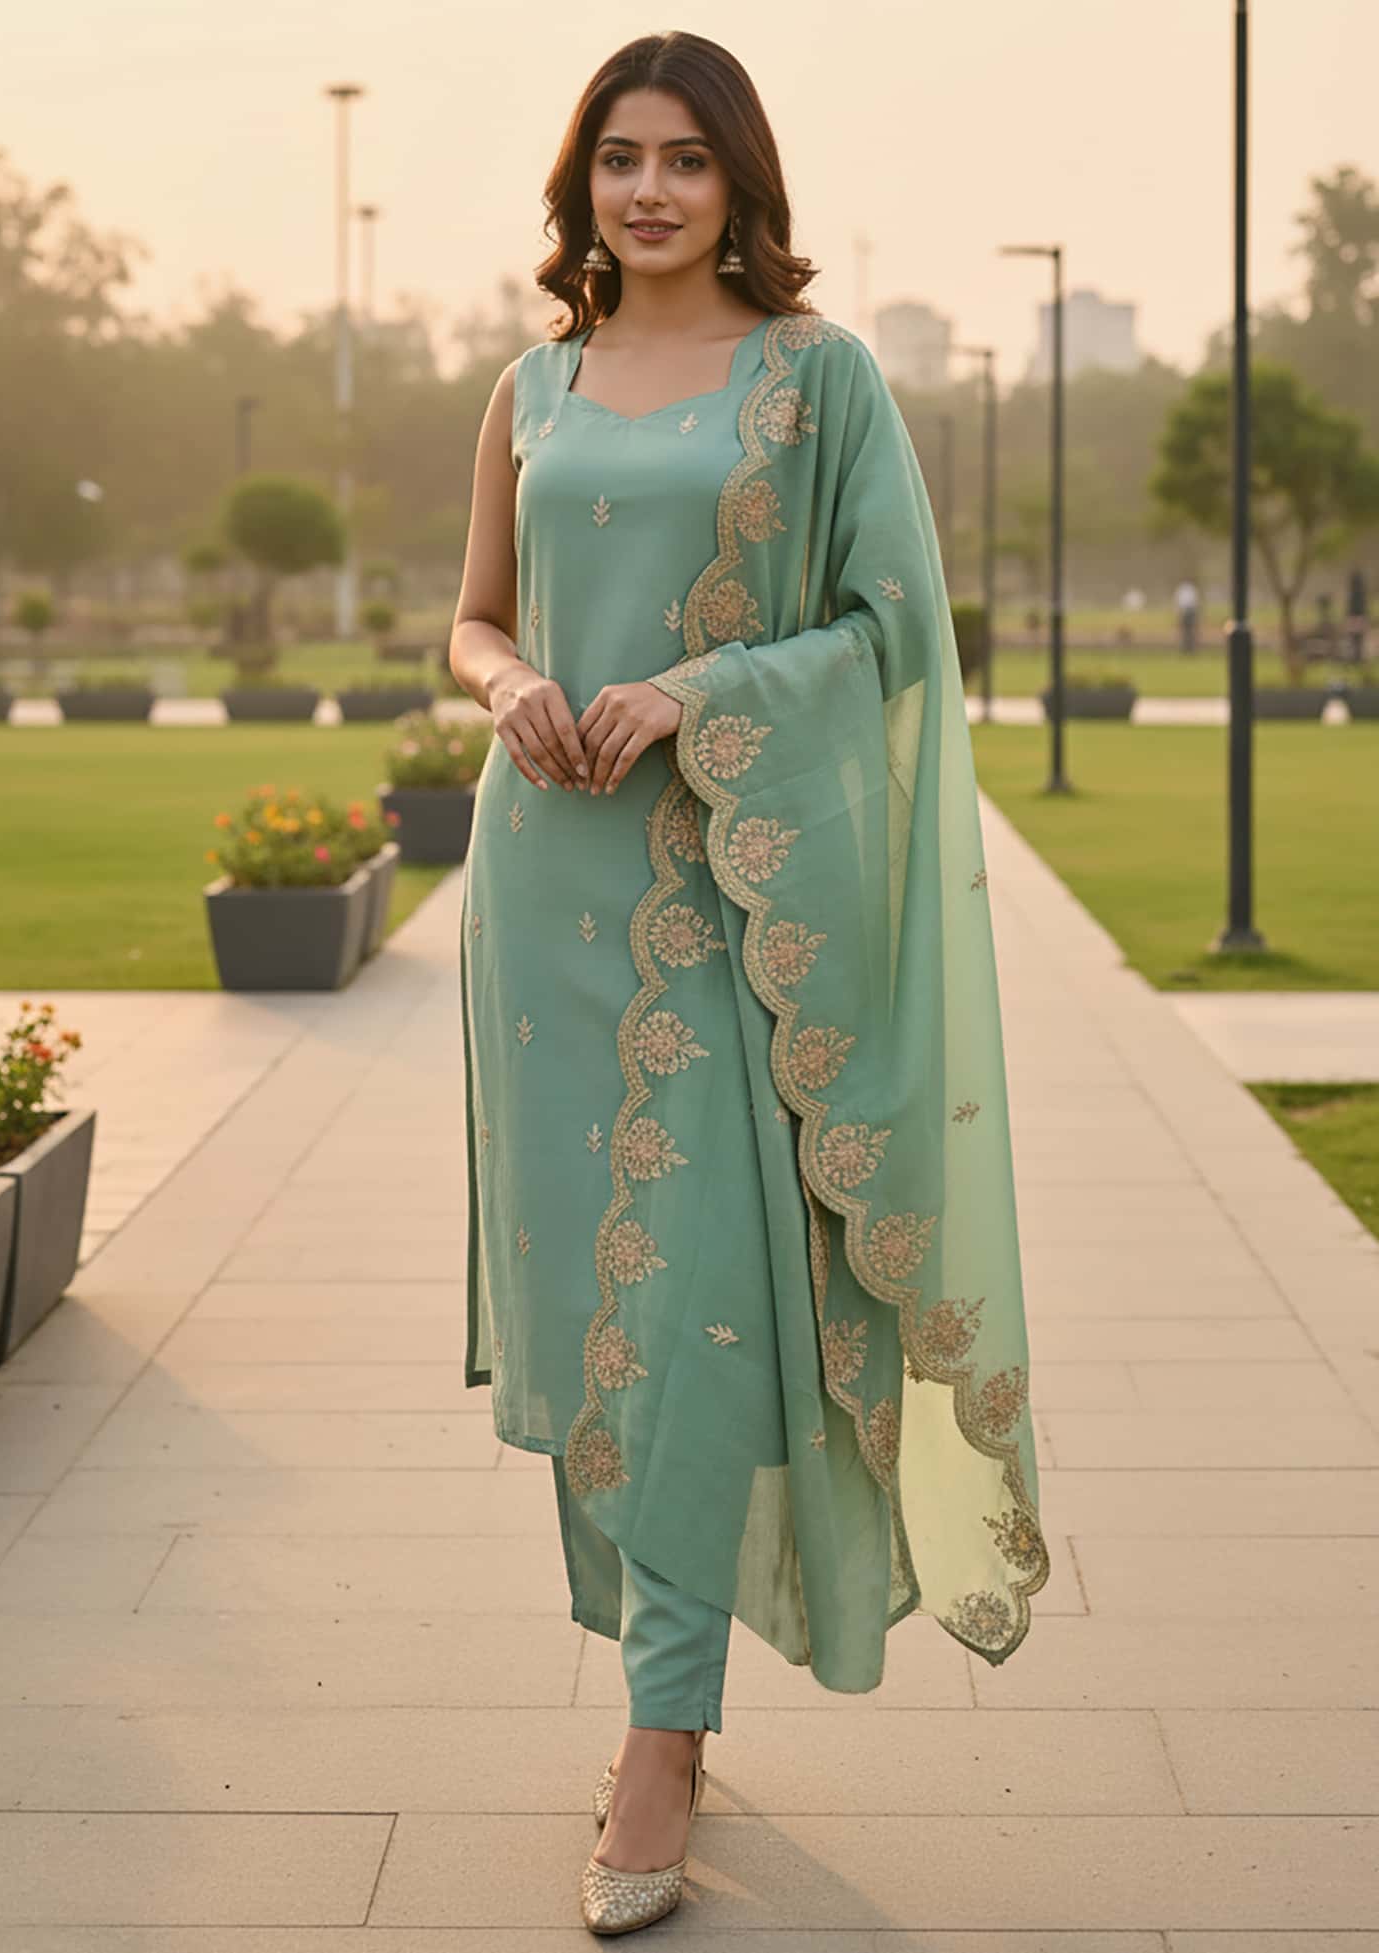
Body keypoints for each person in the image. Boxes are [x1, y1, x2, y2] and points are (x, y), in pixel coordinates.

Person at [450, 31, 1049, 1937]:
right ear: (582, 184)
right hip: (542, 892)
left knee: (697, 1294)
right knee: (594, 1310)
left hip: (721, 898)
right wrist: (509, 684)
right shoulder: (530, 385)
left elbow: (891, 628)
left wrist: (696, 692)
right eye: (618, 158)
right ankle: (666, 1672)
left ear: (739, 185)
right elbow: (469, 613)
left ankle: (660, 1738)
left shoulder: (820, 383)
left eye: (684, 162)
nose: (646, 192)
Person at [1173, 576, 1200, 654]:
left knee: (1190, 632)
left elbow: (1195, 602)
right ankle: (1185, 649)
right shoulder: (1184, 589)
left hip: (1190, 612)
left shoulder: (1190, 589)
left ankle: (1190, 649)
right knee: (1185, 632)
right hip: (1185, 612)